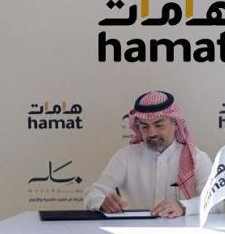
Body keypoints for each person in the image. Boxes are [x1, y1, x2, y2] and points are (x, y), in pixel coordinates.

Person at [84, 91, 213, 218]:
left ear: (175, 124)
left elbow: (214, 202)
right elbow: (93, 192)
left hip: (181, 231)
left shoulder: (196, 158)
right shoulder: (125, 157)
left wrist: (183, 207)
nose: (152, 133)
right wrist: (102, 202)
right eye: (145, 127)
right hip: (135, 231)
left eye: (159, 125)